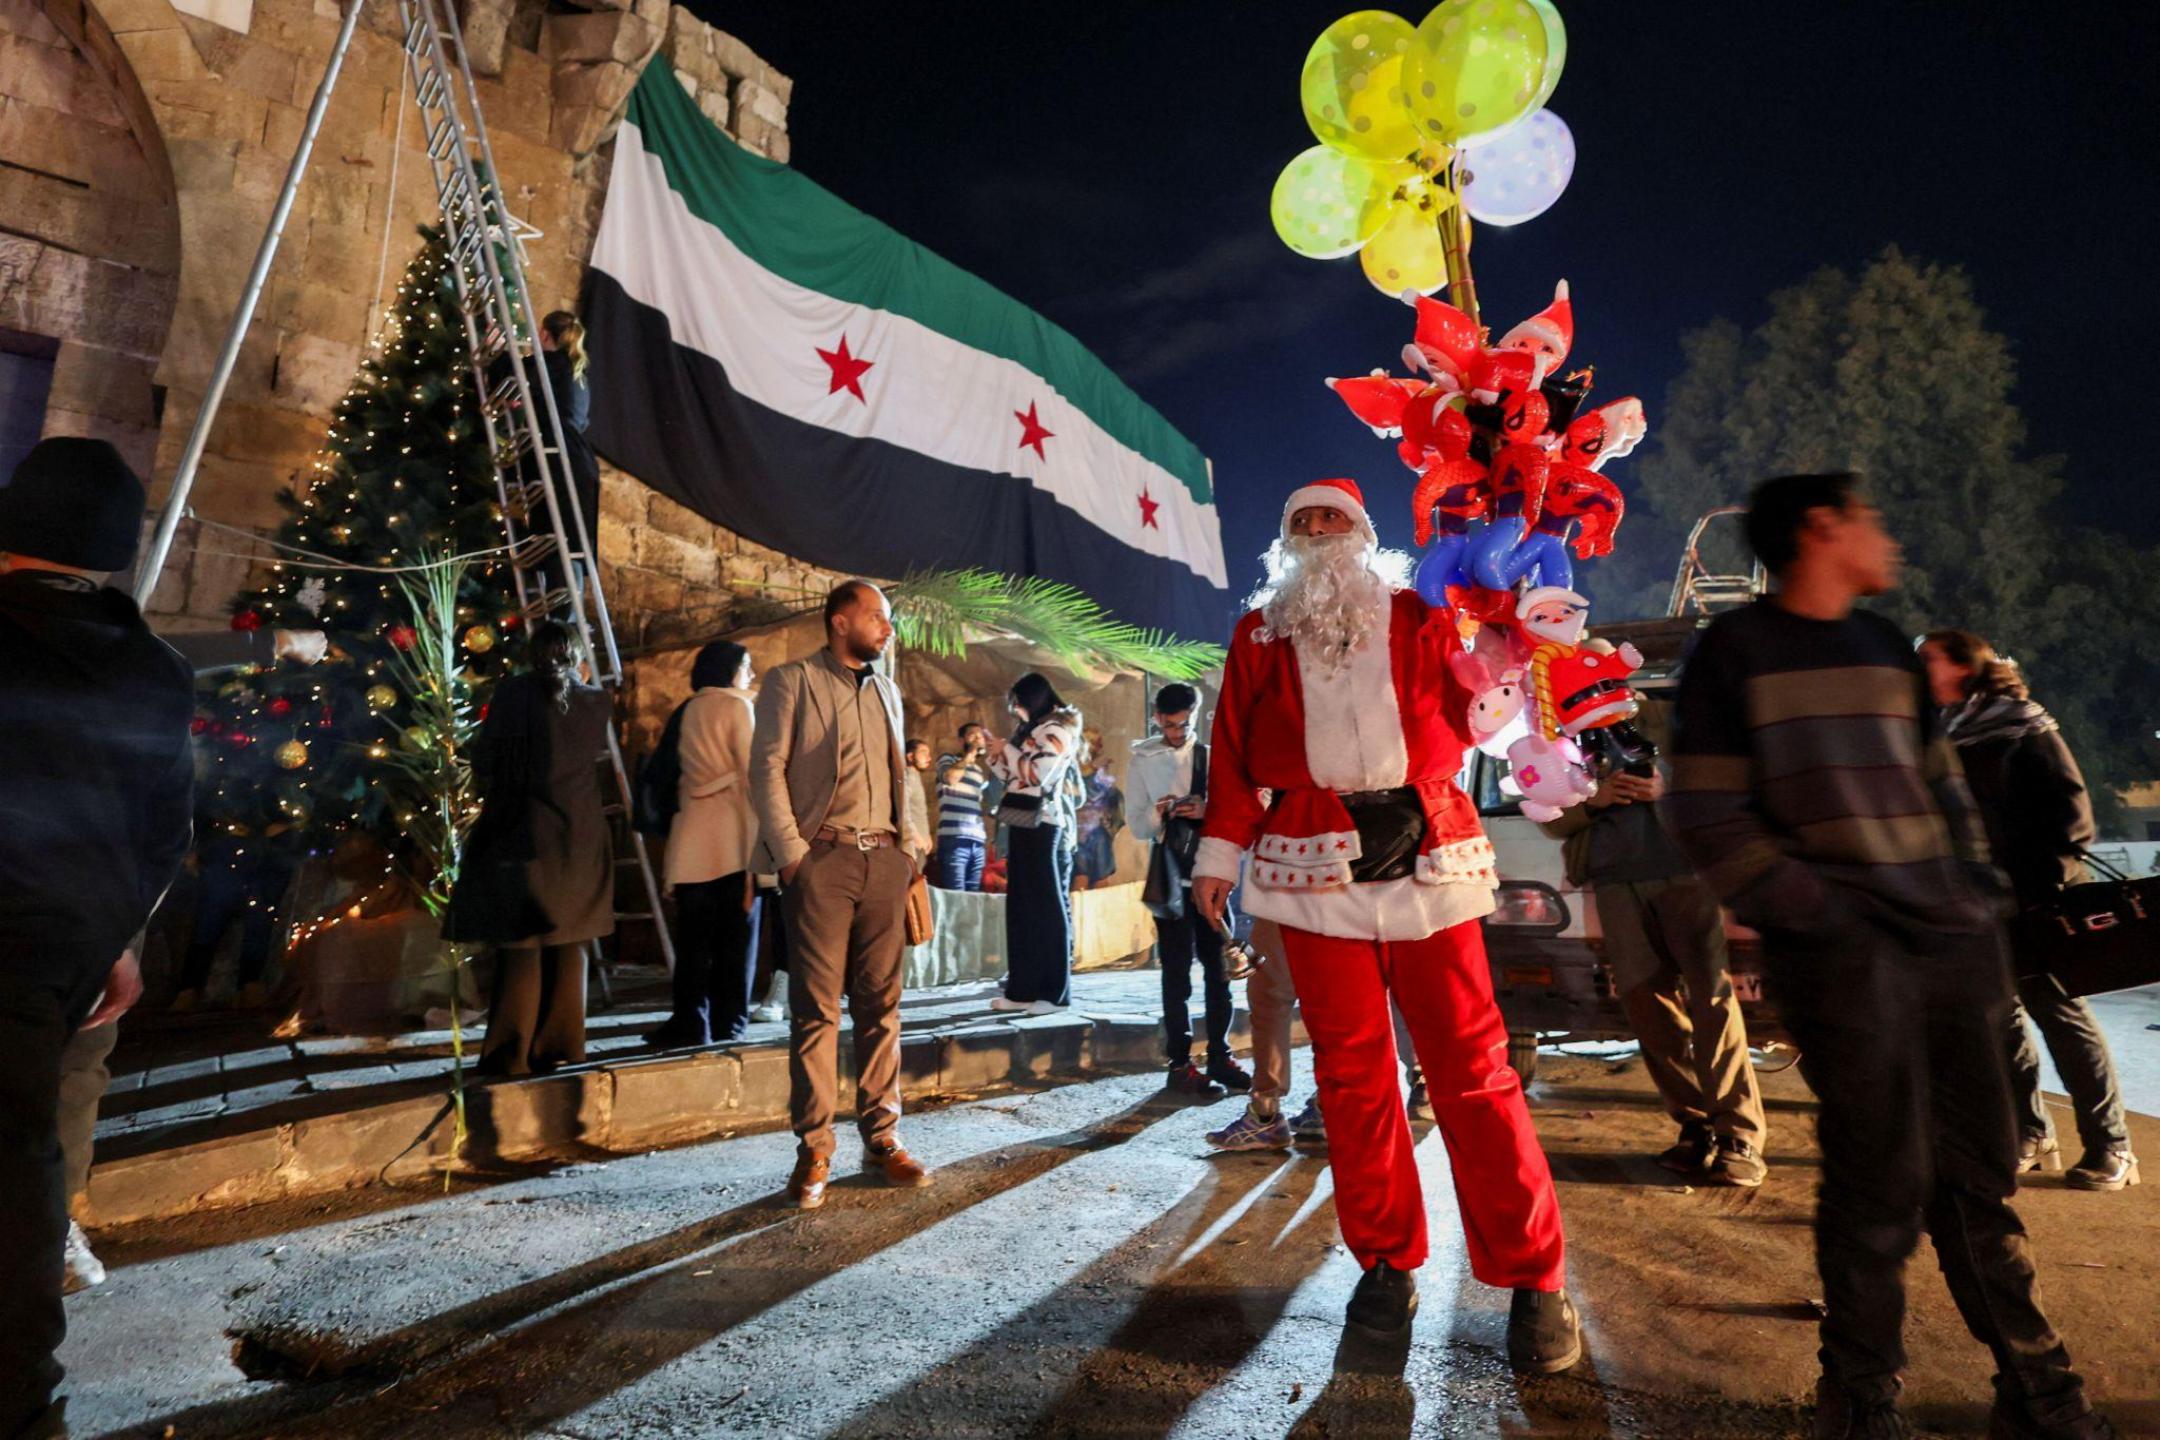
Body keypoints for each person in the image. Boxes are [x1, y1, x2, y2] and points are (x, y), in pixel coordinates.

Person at [1664, 472, 2114, 1440]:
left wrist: (1974, 898)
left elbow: (1941, 788)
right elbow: (1704, 811)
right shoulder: (1733, 653)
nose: (1886, 539)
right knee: (1878, 1179)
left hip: (1949, 948)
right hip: (1841, 961)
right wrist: (1818, 912)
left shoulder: (1881, 647)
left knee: (1980, 1175)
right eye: (1869, 519)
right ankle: (1859, 1398)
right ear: (1823, 530)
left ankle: (2036, 1386)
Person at [1189, 478, 1579, 1372]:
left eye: (1335, 520)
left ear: (1364, 535)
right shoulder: (1257, 634)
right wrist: (1218, 854)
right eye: (1303, 522)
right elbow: (1236, 752)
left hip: (1432, 850)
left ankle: (1535, 1276)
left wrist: (1510, 644)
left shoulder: (1422, 612)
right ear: (1285, 542)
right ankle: (1384, 1264)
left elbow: (1487, 713)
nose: (1320, 534)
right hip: (1309, 859)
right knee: (1354, 1075)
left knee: (1474, 1069)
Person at [1, 438, 195, 1440]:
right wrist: (113, 939)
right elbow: (161, 832)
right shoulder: (155, 675)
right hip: (52, 962)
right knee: (21, 1159)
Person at [1918, 629, 2135, 1194]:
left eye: (1927, 659)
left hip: (2034, 902)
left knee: (2061, 1018)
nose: (1916, 669)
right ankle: (2031, 1134)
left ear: (1963, 667)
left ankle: (2112, 1146)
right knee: (1999, 1022)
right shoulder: (1944, 733)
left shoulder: (2020, 723)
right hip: (1975, 900)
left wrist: (2036, 888)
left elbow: (2073, 816)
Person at [750, 580, 931, 1208]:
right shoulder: (791, 681)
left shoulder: (886, 688)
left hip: (885, 862)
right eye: (878, 618)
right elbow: (766, 767)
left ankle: (882, 1137)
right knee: (817, 1011)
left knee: (883, 1007)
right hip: (821, 860)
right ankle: (815, 1148)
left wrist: (912, 851)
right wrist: (794, 856)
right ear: (839, 621)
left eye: (889, 619)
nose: (888, 629)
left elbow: (901, 771)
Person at [1537, 701, 1768, 1186]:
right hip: (1616, 883)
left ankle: (1739, 1136)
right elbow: (1547, 814)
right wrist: (1593, 801)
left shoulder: (1672, 721)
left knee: (1713, 1001)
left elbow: (1729, 783)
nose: (1584, 698)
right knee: (1646, 1004)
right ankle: (1695, 1126)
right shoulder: (1562, 741)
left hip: (1688, 875)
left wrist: (1665, 787)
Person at [443, 620, 615, 1077]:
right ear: (576, 654)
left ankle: (511, 1053)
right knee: (568, 941)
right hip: (578, 837)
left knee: (522, 946)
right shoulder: (597, 701)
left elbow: (486, 761)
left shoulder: (515, 694)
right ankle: (561, 1045)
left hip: (523, 832)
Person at [1127, 683, 1250, 1094]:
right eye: (1169, 725)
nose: (1176, 732)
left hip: (1210, 873)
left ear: (1195, 716)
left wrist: (1206, 809)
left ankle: (1220, 1055)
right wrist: (1158, 811)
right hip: (1170, 877)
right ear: (1157, 717)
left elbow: (1237, 811)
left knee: (1220, 971)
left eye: (1183, 725)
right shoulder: (1142, 759)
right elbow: (1136, 825)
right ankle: (1179, 1064)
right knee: (1176, 975)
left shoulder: (1211, 758)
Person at [648, 641, 760, 1048]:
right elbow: (753, 780)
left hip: (692, 836)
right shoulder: (738, 707)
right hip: (732, 838)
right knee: (735, 940)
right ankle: (731, 1021)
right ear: (730, 669)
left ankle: (692, 1021)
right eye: (747, 666)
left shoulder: (690, 708)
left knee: (693, 942)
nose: (751, 674)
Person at [989, 673, 1082, 1015]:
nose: (1016, 709)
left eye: (1019, 702)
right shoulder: (1032, 732)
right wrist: (997, 754)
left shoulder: (1057, 731)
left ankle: (1055, 993)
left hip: (1044, 824)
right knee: (1021, 907)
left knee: (1046, 907)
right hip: (1020, 821)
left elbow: (1039, 774)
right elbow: (1012, 777)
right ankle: (1022, 989)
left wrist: (1008, 751)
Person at [933, 723, 993, 891]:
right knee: (956, 894)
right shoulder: (947, 759)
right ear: (961, 740)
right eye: (973, 735)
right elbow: (950, 778)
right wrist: (970, 755)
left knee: (973, 896)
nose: (978, 739)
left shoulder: (978, 771)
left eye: (981, 736)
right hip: (954, 838)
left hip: (977, 841)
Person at [1070, 726, 1123, 891]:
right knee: (1081, 877)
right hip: (1077, 833)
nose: (1095, 747)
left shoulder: (1099, 765)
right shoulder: (1072, 766)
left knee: (1101, 879)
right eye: (1090, 742)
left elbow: (1107, 792)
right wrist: (1093, 770)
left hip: (1098, 832)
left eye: (1096, 743)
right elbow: (1081, 794)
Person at [902, 738, 935, 871]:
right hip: (913, 843)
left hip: (921, 842)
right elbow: (904, 808)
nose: (929, 757)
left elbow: (919, 812)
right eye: (923, 752)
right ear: (910, 756)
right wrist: (915, 836)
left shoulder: (915, 777)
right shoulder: (907, 776)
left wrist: (926, 836)